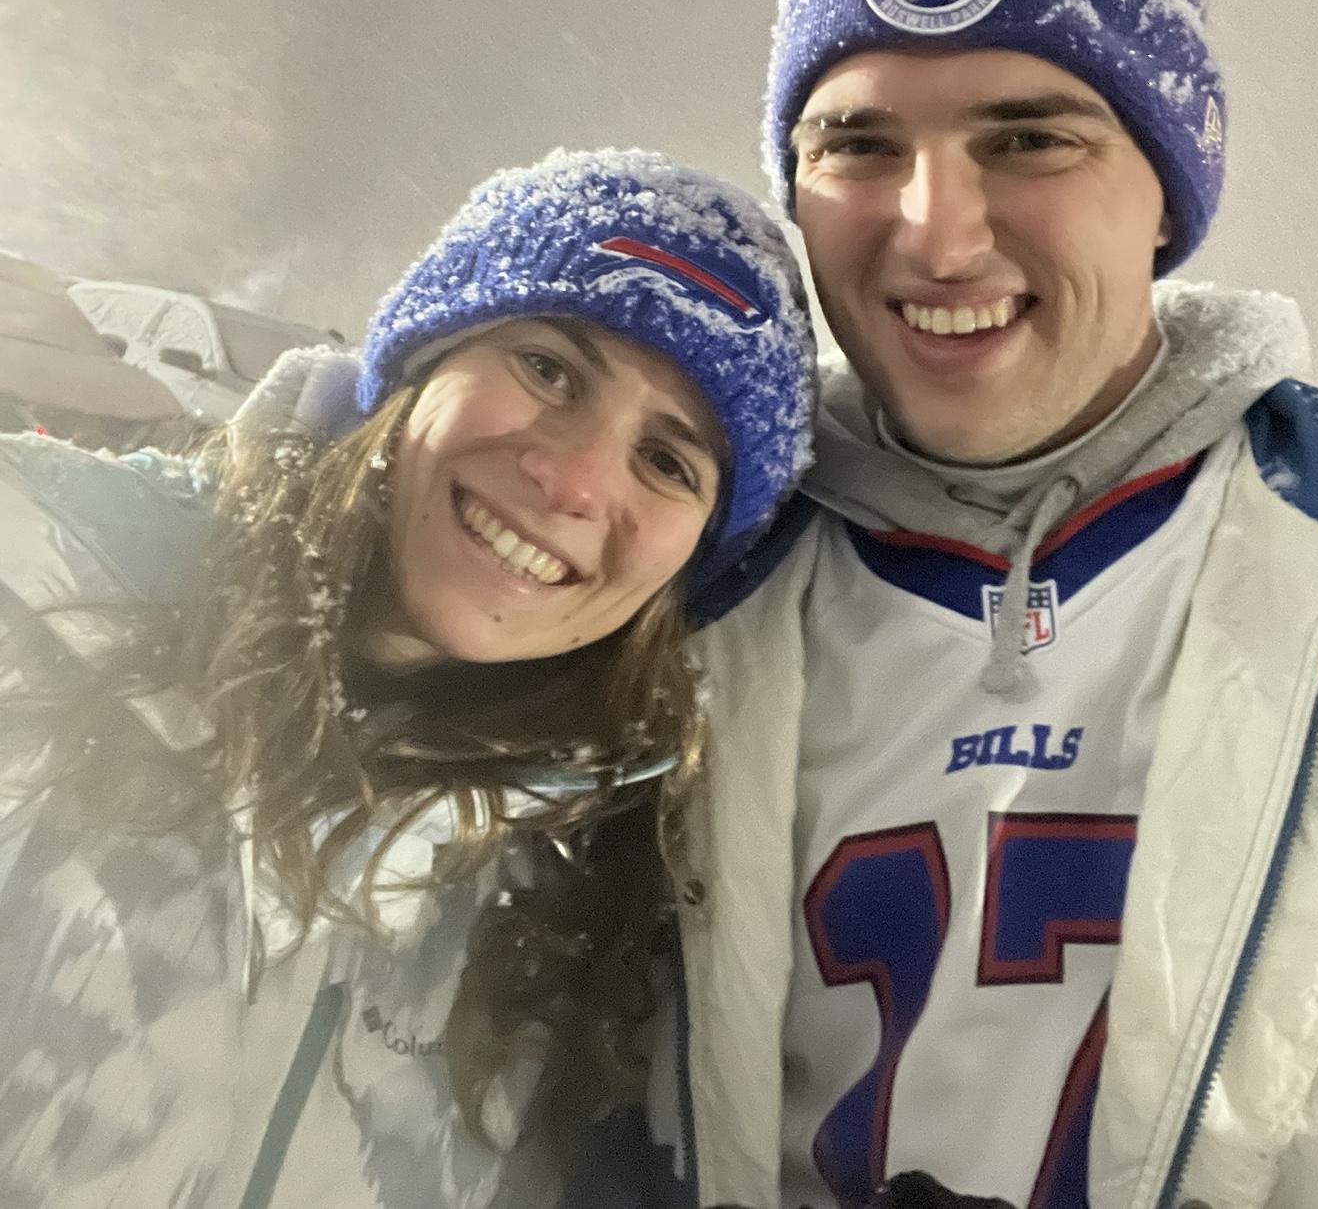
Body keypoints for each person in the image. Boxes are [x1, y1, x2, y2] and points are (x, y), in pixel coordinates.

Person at [643, 0, 1318, 1209]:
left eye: (1027, 137)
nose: (936, 232)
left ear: (1167, 187)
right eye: (857, 144)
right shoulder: (682, 580)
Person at [0, 147, 816, 1209]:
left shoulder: (597, 909)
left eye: (668, 462)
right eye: (550, 370)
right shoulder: (36, 601)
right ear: (421, 361)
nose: (572, 480)